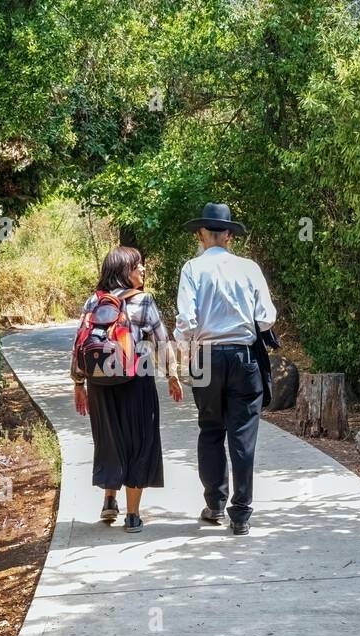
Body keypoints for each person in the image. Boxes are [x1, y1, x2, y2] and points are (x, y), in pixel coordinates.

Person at [175, 203, 277, 536]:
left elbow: (186, 321)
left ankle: (215, 504)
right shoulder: (249, 268)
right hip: (244, 356)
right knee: (242, 435)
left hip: (205, 357)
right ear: (230, 235)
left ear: (202, 234)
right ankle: (241, 513)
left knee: (210, 429)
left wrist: (180, 353)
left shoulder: (192, 268)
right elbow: (266, 318)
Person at [72, 246, 183, 532]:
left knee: (108, 440)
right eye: (138, 266)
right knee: (139, 443)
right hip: (137, 382)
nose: (143, 270)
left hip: (99, 384)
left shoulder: (93, 301)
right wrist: (172, 374)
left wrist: (79, 384)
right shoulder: (143, 301)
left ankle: (109, 500)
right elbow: (161, 341)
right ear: (125, 271)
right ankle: (133, 516)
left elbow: (79, 345)